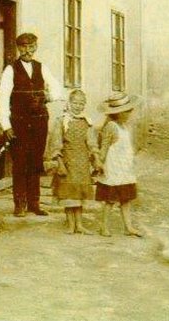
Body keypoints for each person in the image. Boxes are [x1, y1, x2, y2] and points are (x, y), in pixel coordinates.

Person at [0, 32, 65, 217]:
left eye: (31, 47)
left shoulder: (42, 68)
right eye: (24, 47)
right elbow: (2, 99)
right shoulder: (11, 70)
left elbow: (59, 90)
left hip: (39, 122)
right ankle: (19, 204)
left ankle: (34, 203)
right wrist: (6, 126)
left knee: (35, 163)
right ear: (18, 48)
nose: (28, 51)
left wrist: (46, 97)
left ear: (36, 47)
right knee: (20, 163)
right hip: (18, 124)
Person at [45, 88, 100, 234]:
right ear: (69, 103)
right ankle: (70, 225)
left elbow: (92, 142)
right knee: (68, 194)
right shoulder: (61, 121)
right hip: (67, 162)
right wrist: (59, 163)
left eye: (81, 103)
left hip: (82, 163)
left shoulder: (87, 122)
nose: (78, 106)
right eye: (75, 103)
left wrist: (95, 157)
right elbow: (56, 143)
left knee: (79, 195)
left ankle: (80, 225)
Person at [95, 91, 143, 237]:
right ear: (119, 113)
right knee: (110, 200)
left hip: (124, 168)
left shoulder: (124, 126)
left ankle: (128, 227)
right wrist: (99, 164)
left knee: (126, 199)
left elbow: (126, 147)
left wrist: (131, 160)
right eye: (127, 111)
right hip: (113, 168)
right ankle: (104, 227)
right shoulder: (111, 126)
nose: (129, 113)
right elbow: (103, 147)